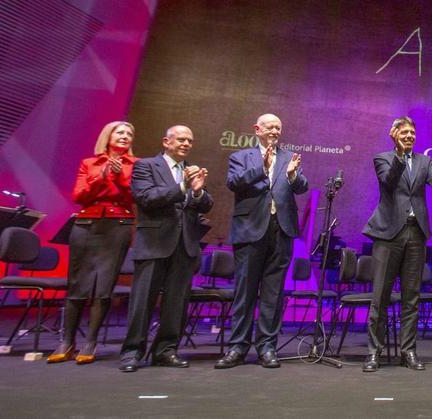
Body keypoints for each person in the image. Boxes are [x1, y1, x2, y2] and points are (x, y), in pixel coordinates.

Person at [360, 117, 432, 372]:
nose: (410, 135)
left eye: (413, 132)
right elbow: (389, 182)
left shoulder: (424, 161)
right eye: (405, 131)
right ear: (394, 134)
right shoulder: (383, 158)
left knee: (411, 297)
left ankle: (408, 351)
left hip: (416, 233)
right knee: (380, 296)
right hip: (389, 234)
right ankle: (373, 353)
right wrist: (400, 155)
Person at [217, 113, 308, 370]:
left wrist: (292, 176)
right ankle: (238, 347)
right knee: (245, 292)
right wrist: (261, 167)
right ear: (257, 129)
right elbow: (233, 183)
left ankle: (267, 347)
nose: (275, 131)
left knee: (273, 294)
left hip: (281, 231)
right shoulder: (241, 157)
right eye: (270, 127)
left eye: (278, 127)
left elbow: (302, 186)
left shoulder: (289, 157)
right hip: (249, 231)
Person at [119, 125, 212, 372]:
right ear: (166, 142)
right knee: (142, 301)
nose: (186, 144)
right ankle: (132, 352)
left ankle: (166, 350)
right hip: (154, 244)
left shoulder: (191, 170)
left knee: (176, 303)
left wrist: (199, 190)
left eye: (190, 140)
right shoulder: (146, 166)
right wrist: (182, 187)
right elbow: (146, 198)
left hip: (184, 246)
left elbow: (206, 205)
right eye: (181, 139)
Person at [48, 121, 137, 365]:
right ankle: (66, 342)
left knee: (104, 285)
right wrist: (103, 176)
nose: (125, 136)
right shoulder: (90, 163)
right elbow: (79, 195)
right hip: (86, 224)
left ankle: (91, 341)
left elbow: (134, 196)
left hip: (118, 224)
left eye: (129, 134)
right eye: (120, 132)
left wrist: (118, 178)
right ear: (108, 136)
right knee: (77, 282)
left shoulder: (136, 165)